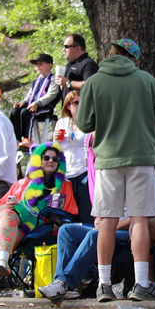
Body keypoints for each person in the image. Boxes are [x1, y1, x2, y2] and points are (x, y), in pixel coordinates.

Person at [76, 38, 155, 301]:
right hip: (141, 156)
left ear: (112, 53)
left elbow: (83, 123)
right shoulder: (145, 79)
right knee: (139, 218)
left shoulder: (94, 82)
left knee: (107, 220)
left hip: (107, 159)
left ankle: (104, 285)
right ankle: (141, 285)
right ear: (133, 58)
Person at [0, 143, 78, 282]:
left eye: (55, 159)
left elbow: (65, 214)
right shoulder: (22, 184)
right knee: (8, 215)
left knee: (4, 235)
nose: (51, 161)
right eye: (46, 158)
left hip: (33, 230)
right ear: (38, 161)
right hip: (6, 222)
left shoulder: (63, 186)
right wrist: (9, 206)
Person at [54, 91, 92, 223]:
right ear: (68, 106)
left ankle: (86, 236)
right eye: (76, 102)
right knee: (62, 210)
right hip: (64, 173)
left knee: (85, 209)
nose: (79, 105)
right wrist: (55, 140)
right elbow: (55, 149)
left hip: (84, 170)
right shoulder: (62, 122)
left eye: (82, 103)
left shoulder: (89, 122)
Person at [10, 53, 61, 143]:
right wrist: (23, 102)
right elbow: (30, 95)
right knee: (15, 111)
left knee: (26, 112)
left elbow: (51, 94)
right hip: (33, 105)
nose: (38, 66)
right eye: (37, 64)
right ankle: (16, 139)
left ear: (49, 66)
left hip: (45, 107)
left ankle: (27, 139)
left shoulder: (53, 79)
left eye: (41, 64)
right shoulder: (36, 81)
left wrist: (37, 103)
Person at [56, 34, 99, 101]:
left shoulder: (88, 63)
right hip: (69, 109)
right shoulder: (69, 64)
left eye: (67, 46)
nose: (64, 49)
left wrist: (68, 83)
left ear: (78, 48)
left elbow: (90, 85)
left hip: (82, 109)